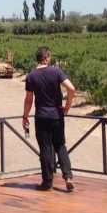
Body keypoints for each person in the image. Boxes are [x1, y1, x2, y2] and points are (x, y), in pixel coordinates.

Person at [22, 46, 76, 191]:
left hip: (41, 117)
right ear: (46, 58)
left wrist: (25, 116)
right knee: (60, 145)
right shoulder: (56, 71)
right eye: (50, 57)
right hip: (57, 115)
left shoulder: (31, 76)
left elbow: (28, 100)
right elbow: (71, 89)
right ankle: (68, 177)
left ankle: (47, 182)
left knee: (45, 148)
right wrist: (67, 106)